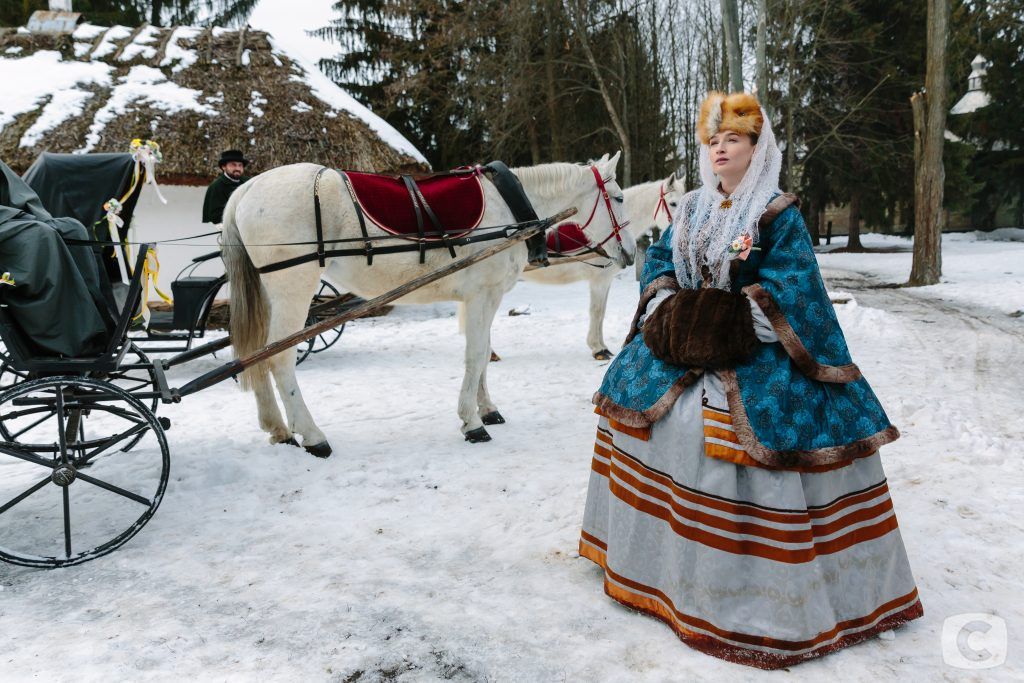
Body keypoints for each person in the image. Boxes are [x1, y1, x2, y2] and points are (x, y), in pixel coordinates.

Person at [579, 92, 922, 669]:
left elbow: (797, 286)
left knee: (742, 436)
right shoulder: (689, 207)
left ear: (758, 149)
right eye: (713, 141)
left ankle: (749, 594)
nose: (720, 149)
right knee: (633, 402)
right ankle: (650, 567)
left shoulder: (777, 213)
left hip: (755, 347)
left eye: (732, 139)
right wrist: (667, 308)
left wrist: (734, 320)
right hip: (680, 340)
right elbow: (659, 261)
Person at [0, 159, 113, 356]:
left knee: (71, 228)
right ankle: (67, 341)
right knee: (40, 236)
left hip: (8, 217)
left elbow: (14, 189)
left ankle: (97, 328)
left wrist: (35, 216)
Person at [202, 149, 250, 224]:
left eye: (240, 165)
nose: (237, 168)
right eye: (233, 165)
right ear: (224, 167)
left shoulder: (249, 182)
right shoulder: (216, 186)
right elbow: (216, 217)